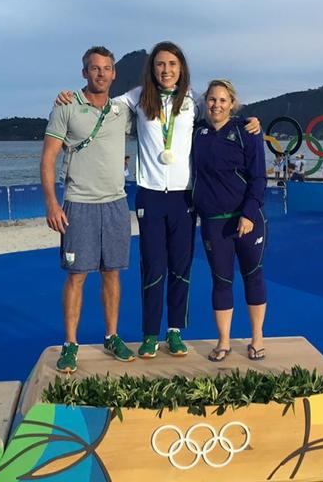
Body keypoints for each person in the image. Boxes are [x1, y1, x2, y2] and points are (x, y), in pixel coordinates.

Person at [56, 41, 261, 359]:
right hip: (150, 194)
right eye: (160, 64)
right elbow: (99, 103)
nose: (166, 70)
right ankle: (150, 334)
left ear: (182, 69)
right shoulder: (136, 97)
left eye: (173, 65)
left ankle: (175, 331)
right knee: (152, 267)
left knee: (180, 267)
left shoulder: (193, 99)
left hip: (183, 196)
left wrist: (251, 122)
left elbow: (223, 115)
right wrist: (69, 97)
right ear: (152, 68)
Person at [41, 46, 135, 373]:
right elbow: (48, 159)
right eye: (94, 68)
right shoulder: (66, 107)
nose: (101, 74)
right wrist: (52, 203)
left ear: (114, 73)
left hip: (116, 204)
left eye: (106, 68)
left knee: (113, 274)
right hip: (78, 205)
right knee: (77, 277)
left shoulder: (121, 111)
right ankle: (70, 343)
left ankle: (112, 336)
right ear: (84, 73)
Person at [192, 79, 268, 362]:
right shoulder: (196, 133)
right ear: (205, 102)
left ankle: (257, 338)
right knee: (221, 281)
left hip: (247, 221)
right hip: (214, 222)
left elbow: (259, 177)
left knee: (253, 277)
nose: (216, 105)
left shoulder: (247, 131)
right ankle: (223, 341)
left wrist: (249, 213)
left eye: (223, 100)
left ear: (232, 103)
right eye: (212, 99)